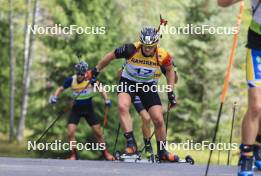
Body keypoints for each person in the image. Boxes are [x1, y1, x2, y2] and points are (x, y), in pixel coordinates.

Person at [90, 26, 179, 162]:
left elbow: (170, 71)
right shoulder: (131, 49)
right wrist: (96, 70)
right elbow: (111, 55)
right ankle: (131, 145)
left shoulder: (163, 55)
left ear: (156, 44)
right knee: (122, 106)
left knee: (158, 119)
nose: (147, 49)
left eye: (151, 47)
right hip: (129, 81)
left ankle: (163, 152)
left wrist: (170, 91)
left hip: (147, 86)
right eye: (145, 46)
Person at [218, 0, 261, 175]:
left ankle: (259, 144)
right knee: (256, 105)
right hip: (258, 47)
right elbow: (221, 3)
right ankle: (247, 154)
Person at [49, 61, 115, 161]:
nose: (80, 76)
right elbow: (61, 89)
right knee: (70, 132)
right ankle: (73, 155)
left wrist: (106, 99)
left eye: (82, 73)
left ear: (85, 72)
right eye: (78, 73)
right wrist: (54, 97)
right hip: (76, 109)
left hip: (88, 109)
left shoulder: (91, 80)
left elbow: (101, 88)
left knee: (98, 132)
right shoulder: (71, 79)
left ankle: (106, 153)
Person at [117, 63, 178, 158]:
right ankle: (147, 147)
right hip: (135, 92)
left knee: (158, 119)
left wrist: (174, 71)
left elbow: (174, 80)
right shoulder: (139, 59)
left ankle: (161, 150)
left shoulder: (161, 62)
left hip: (148, 93)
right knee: (146, 118)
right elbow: (120, 74)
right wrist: (124, 70)